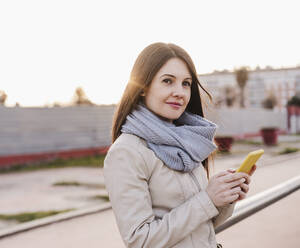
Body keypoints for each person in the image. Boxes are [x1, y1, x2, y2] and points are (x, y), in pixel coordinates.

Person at [103, 42, 256, 248]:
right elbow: (140, 240)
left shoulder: (188, 142)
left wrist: (225, 196)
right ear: (142, 88)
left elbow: (202, 227)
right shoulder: (126, 152)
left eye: (186, 83)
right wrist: (207, 199)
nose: (180, 92)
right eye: (168, 81)